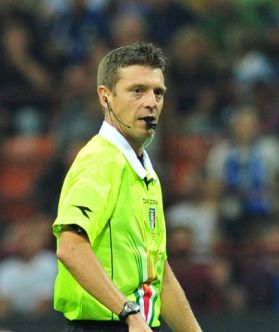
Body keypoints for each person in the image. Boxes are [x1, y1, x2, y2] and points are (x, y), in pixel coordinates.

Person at [52, 42, 202, 332]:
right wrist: (129, 313)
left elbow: (158, 271)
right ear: (105, 97)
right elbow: (70, 247)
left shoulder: (144, 170)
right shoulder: (100, 161)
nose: (151, 102)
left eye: (158, 92)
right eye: (137, 90)